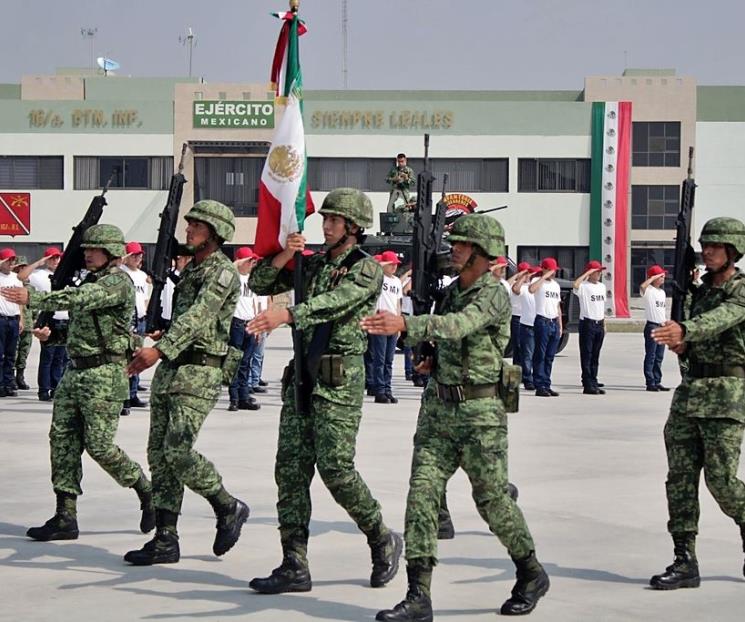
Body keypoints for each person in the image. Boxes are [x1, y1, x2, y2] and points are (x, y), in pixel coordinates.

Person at [362, 214, 549, 621]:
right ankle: (418, 595)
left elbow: (459, 326)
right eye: (456, 243)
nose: (455, 249)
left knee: (492, 501)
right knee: (421, 497)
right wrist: (426, 356)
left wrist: (406, 323)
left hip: (481, 414)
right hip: (438, 411)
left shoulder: (494, 294)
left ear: (483, 254)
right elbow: (440, 339)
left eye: (463, 245)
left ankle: (530, 572)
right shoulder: (448, 294)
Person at [246, 187, 402, 594]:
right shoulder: (310, 265)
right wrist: (285, 253)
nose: (326, 225)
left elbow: (336, 302)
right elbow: (260, 281)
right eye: (325, 219)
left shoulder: (366, 270)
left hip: (337, 378)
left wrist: (289, 313)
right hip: (302, 376)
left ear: (353, 227)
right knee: (291, 471)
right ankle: (293, 563)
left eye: (334, 220)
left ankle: (380, 536)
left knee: (336, 469)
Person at [0, 225, 155, 541]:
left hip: (104, 375)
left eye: (94, 249)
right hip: (76, 373)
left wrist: (35, 298)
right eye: (86, 249)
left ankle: (145, 488)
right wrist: (54, 335)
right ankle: (65, 516)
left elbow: (81, 299)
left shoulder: (116, 282)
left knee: (99, 445)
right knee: (62, 440)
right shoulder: (92, 278)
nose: (87, 253)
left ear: (111, 252)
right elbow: (83, 329)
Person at [123, 200, 249, 566]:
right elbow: (186, 319)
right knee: (159, 456)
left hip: (200, 370)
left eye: (195, 225)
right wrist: (164, 338)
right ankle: (166, 538)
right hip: (173, 368)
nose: (188, 229)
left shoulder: (221, 272)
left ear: (213, 231)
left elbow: (199, 316)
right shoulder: (192, 270)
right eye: (189, 223)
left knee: (178, 450)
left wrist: (159, 350)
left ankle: (227, 506)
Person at [648, 217, 745, 588]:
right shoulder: (697, 291)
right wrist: (681, 342)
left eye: (716, 246)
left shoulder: (740, 289)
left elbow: (722, 319)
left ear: (733, 251)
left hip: (726, 395)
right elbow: (689, 339)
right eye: (705, 245)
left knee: (722, 482)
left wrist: (687, 329)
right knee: (680, 480)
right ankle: (684, 559)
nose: (708, 251)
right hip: (690, 392)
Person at [25, 247, 69, 401]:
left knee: (61, 358)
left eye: (58, 258)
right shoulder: (39, 275)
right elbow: (21, 276)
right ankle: (44, 390)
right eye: (52, 258)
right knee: (47, 358)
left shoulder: (65, 274)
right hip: (49, 319)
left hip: (65, 318)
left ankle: (57, 388)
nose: (56, 261)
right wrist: (40, 262)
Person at [228, 246, 260, 412]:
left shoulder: (252, 279)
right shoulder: (234, 278)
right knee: (234, 361)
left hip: (250, 323)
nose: (252, 264)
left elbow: (254, 302)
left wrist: (257, 325)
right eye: (249, 261)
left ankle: (244, 396)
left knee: (246, 362)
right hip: (236, 323)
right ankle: (234, 398)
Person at [371, 250, 403, 404]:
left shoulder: (396, 282)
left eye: (396, 265)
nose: (394, 267)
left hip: (392, 323)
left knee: (389, 360)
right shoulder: (379, 279)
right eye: (391, 264)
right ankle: (379, 390)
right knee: (380, 358)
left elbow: (398, 303)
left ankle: (388, 389)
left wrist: (398, 321)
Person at [120, 242, 150, 409]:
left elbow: (145, 298)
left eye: (140, 255)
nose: (138, 257)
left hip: (140, 319)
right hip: (127, 320)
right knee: (125, 358)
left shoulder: (142, 275)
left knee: (138, 357)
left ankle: (133, 394)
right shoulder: (121, 273)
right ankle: (123, 396)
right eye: (134, 255)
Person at [573, 260, 608, 395]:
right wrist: (587, 273)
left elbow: (601, 307)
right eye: (597, 271)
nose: (599, 274)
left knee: (595, 356)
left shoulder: (601, 287)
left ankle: (594, 380)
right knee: (586, 355)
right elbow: (575, 285)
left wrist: (604, 324)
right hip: (588, 323)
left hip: (599, 323)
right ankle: (587, 384)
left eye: (600, 271)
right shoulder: (584, 286)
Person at [530, 258, 563, 397]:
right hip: (542, 321)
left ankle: (547, 383)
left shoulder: (556, 285)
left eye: (554, 271)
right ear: (544, 269)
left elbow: (557, 305)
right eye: (551, 270)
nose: (553, 273)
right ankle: (539, 385)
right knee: (540, 355)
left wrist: (560, 324)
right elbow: (531, 290)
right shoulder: (537, 282)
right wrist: (543, 276)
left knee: (550, 356)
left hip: (553, 321)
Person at [641, 264, 670, 392]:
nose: (663, 277)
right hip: (652, 326)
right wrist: (653, 277)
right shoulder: (648, 291)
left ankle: (657, 380)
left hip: (662, 326)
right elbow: (642, 286)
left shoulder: (662, 292)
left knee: (659, 356)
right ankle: (650, 382)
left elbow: (662, 311)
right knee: (651, 355)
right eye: (661, 276)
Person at [513, 266, 541, 391]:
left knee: (537, 354)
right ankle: (527, 378)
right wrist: (523, 276)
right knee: (525, 354)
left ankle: (537, 378)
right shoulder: (524, 288)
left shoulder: (540, 287)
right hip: (524, 323)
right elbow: (514, 289)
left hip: (539, 324)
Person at [0, 248, 23, 397]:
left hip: (13, 319)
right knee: (0, 354)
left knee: (10, 355)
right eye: (8, 260)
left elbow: (20, 299)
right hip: (1, 319)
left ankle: (9, 383)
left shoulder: (16, 278)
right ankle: (0, 384)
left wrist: (21, 317)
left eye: (12, 260)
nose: (11, 263)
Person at [509, 262, 532, 371]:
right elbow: (508, 285)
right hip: (517, 318)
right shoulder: (515, 284)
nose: (529, 275)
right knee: (518, 346)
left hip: (529, 318)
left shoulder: (531, 285)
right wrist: (520, 277)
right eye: (527, 273)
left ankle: (526, 371)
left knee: (527, 347)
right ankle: (518, 370)